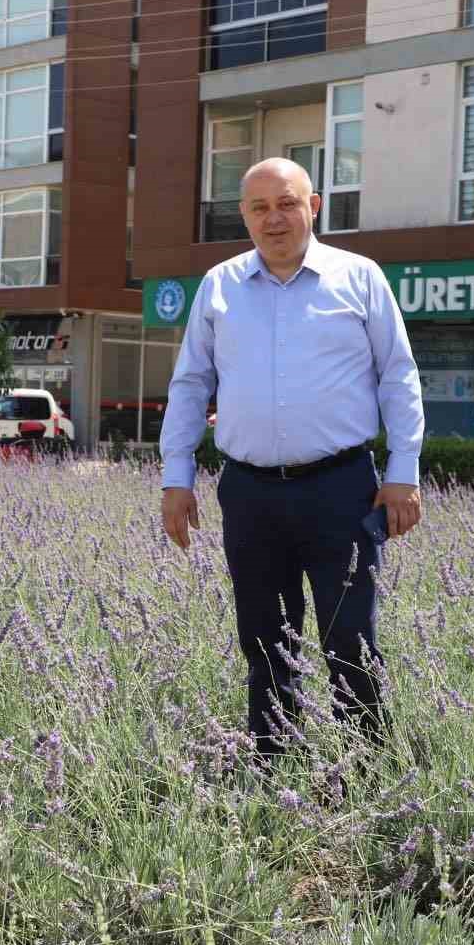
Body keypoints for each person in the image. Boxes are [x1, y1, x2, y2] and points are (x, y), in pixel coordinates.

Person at [160, 157, 425, 760]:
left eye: (286, 203)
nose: (273, 218)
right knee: (264, 641)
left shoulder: (359, 278)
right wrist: (177, 478)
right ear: (245, 217)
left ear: (314, 207)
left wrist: (404, 472)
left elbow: (398, 378)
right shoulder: (219, 286)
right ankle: (273, 773)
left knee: (351, 638)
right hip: (249, 495)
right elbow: (190, 385)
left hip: (342, 491)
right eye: (259, 207)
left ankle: (368, 776)